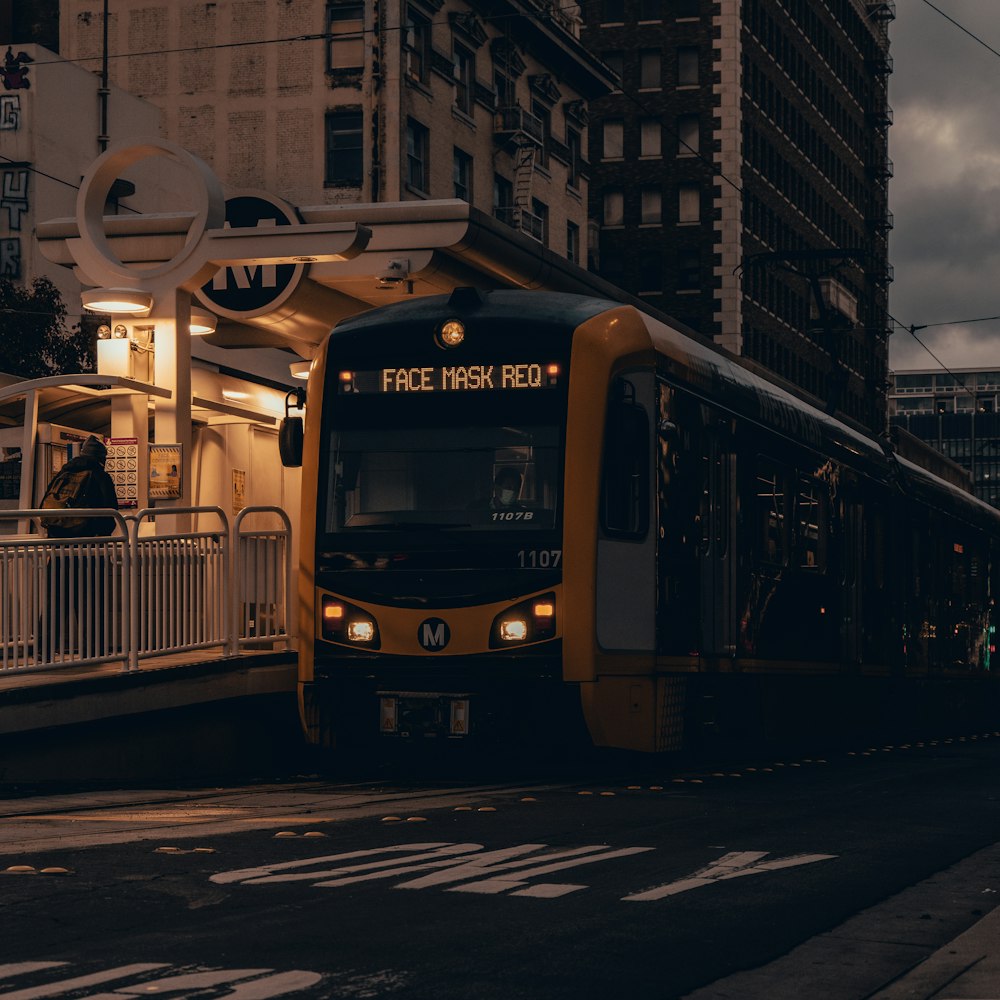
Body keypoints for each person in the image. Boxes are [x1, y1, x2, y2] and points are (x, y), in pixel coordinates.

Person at [39, 436, 120, 657]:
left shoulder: (63, 474)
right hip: (89, 551)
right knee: (91, 604)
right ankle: (94, 650)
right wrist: (100, 534)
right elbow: (111, 512)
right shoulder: (100, 476)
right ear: (101, 458)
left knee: (56, 602)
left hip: (58, 551)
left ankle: (43, 650)